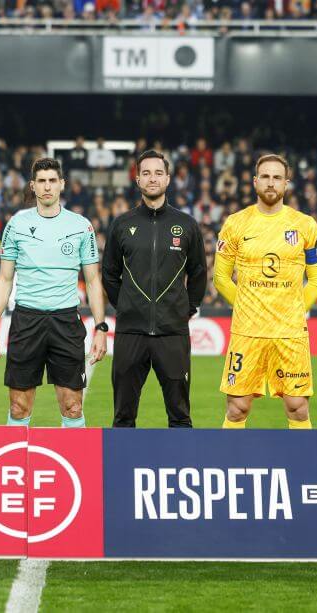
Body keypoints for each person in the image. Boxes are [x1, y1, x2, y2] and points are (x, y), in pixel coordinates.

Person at [0, 157, 107, 427]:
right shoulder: (16, 225)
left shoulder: (81, 226)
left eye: (53, 180)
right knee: (18, 407)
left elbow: (93, 280)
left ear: (62, 184)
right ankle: (15, 467)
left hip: (65, 321)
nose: (47, 187)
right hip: (26, 320)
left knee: (73, 407)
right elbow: (4, 279)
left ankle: (74, 467)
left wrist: (101, 328)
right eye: (42, 181)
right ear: (33, 186)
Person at [214, 154, 317, 429]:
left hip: (289, 332)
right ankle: (231, 466)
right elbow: (220, 278)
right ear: (255, 182)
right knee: (238, 408)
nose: (271, 183)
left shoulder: (306, 225)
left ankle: (302, 467)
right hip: (247, 331)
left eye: (277, 177)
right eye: (265, 176)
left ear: (286, 184)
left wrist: (296, 311)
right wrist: (244, 307)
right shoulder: (235, 223)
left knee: (297, 408)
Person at [102, 149, 208, 428]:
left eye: (158, 173)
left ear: (168, 179)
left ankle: (179, 466)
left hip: (172, 332)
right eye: (146, 173)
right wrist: (126, 306)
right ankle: (121, 470)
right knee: (123, 417)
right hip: (130, 331)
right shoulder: (122, 224)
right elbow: (109, 274)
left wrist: (187, 308)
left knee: (180, 416)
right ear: (137, 180)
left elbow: (198, 273)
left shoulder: (186, 225)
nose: (152, 178)